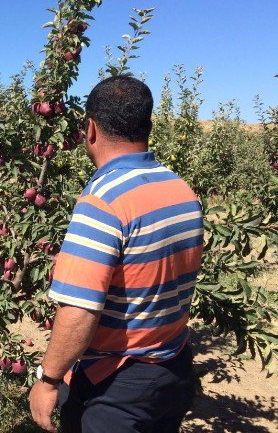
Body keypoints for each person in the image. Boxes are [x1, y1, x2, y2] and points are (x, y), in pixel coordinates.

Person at [30, 76, 203, 432]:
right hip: (174, 366)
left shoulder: (103, 201)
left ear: (90, 129)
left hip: (118, 388)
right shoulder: (180, 189)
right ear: (148, 126)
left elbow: (79, 310)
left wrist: (49, 379)